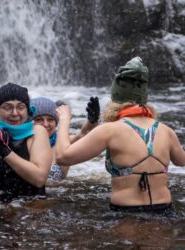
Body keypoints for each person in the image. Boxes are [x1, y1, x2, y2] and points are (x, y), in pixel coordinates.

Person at [55, 57, 185, 213]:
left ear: (115, 98)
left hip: (127, 213)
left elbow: (63, 157)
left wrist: (63, 120)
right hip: (165, 210)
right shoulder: (166, 130)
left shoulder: (110, 130)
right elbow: (181, 161)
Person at [0, 73, 100, 179]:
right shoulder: (22, 139)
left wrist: (92, 121)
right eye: (39, 119)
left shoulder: (63, 142)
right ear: (29, 121)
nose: (45, 124)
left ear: (56, 122)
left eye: (50, 119)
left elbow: (83, 134)